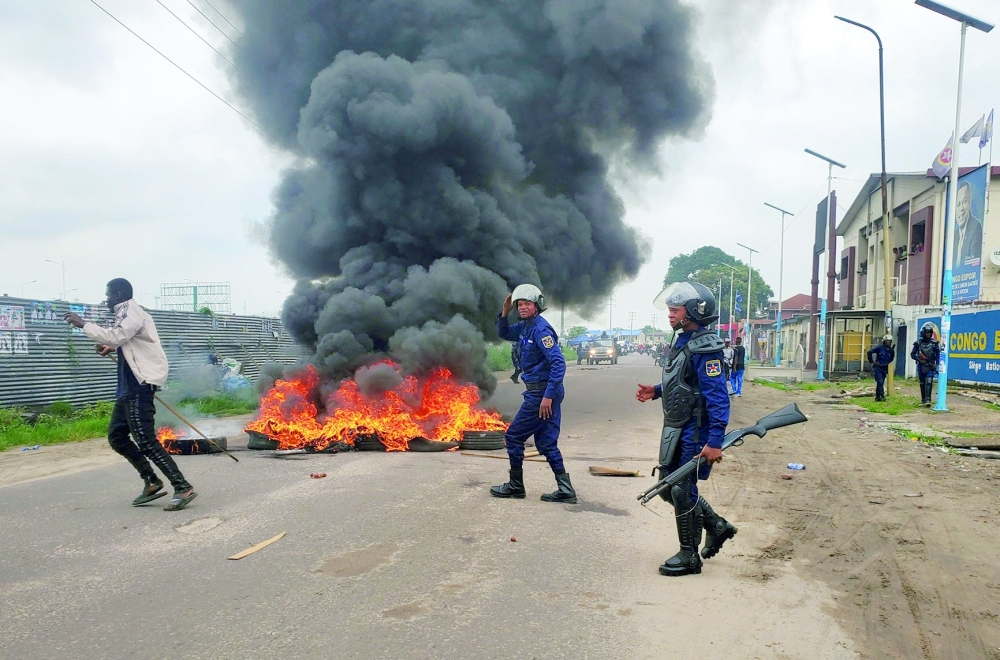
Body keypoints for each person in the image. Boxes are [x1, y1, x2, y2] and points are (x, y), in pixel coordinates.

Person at [63, 278, 197, 511]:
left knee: (145, 440)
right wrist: (110, 347)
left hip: (138, 385)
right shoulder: (124, 312)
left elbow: (118, 335)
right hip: (127, 387)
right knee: (117, 437)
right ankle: (151, 481)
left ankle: (182, 486)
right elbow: (123, 339)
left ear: (118, 294)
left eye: (108, 295)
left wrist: (84, 324)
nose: (106, 300)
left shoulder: (131, 310)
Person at [635, 282, 734, 577]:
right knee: (669, 486)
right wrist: (656, 390)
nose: (670, 314)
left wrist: (715, 440)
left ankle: (690, 556)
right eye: (669, 309)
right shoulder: (683, 341)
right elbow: (684, 381)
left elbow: (717, 396)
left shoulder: (707, 346)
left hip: (696, 430)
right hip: (676, 428)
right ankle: (716, 525)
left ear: (693, 312)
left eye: (675, 309)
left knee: (682, 489)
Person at [491, 284, 575, 504]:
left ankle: (515, 486)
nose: (522, 307)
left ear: (537, 306)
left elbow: (558, 364)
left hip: (542, 395)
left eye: (527, 303)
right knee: (547, 443)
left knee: (513, 437)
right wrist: (504, 313)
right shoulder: (526, 327)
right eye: (520, 304)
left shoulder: (540, 330)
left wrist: (547, 397)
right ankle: (566, 490)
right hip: (543, 393)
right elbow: (505, 333)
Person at [954, 181, 984, 265]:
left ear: (970, 201)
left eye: (964, 202)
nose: (961, 208)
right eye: (958, 204)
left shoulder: (975, 227)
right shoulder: (955, 235)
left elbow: (974, 262)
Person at [911, 323, 941, 406]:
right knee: (922, 382)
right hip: (921, 366)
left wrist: (936, 364)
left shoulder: (934, 343)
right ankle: (923, 399)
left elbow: (938, 354)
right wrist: (919, 360)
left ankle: (928, 400)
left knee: (929, 381)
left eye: (930, 333)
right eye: (927, 332)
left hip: (930, 365)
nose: (928, 334)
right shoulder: (918, 343)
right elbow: (912, 354)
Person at [867, 335, 895, 402]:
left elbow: (892, 358)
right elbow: (869, 352)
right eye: (887, 341)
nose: (888, 342)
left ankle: (877, 397)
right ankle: (882, 396)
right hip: (878, 367)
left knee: (881, 383)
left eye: (889, 341)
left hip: (885, 368)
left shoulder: (891, 350)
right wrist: (872, 362)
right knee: (880, 381)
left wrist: (887, 363)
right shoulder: (879, 348)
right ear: (884, 341)